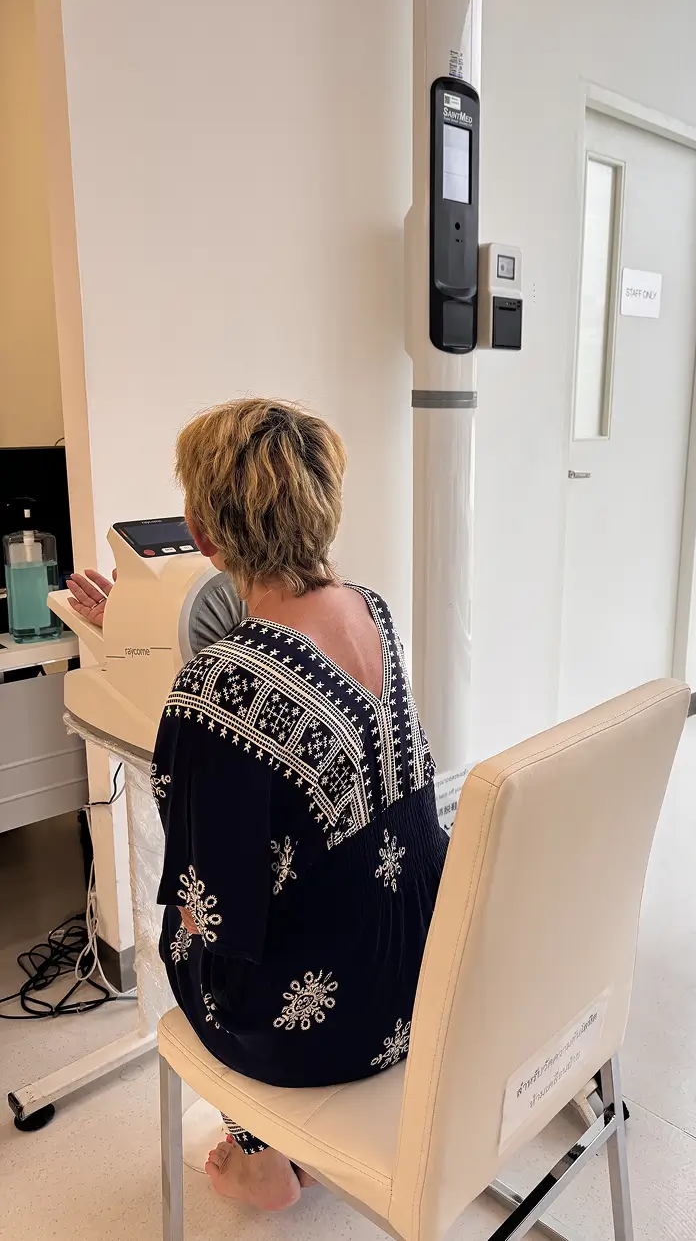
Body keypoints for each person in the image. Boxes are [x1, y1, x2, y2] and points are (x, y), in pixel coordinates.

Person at [146, 399, 448, 1211]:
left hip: (327, 1028)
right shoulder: (373, 611)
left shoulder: (218, 685)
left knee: (182, 935)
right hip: (429, 970)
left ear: (203, 533)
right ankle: (294, 1145)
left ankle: (264, 1150)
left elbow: (214, 910)